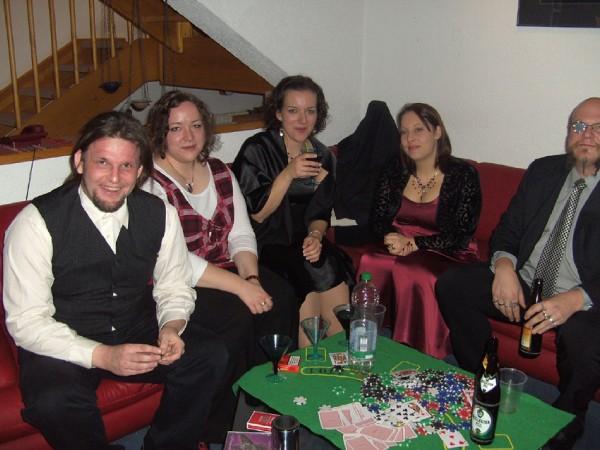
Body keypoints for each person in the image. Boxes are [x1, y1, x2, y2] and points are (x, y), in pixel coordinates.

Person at [3, 111, 228, 450]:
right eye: (102, 162)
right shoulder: (35, 223)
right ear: (80, 162)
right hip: (61, 336)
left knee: (208, 355)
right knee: (53, 402)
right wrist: (103, 356)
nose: (114, 178)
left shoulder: (160, 213)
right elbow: (27, 321)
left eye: (126, 166)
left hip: (133, 323)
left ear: (139, 171)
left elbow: (174, 284)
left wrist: (171, 326)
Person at [436, 97, 600, 450]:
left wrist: (575, 299)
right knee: (454, 284)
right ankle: (481, 378)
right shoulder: (544, 170)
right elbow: (507, 230)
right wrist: (504, 268)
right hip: (527, 283)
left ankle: (570, 417)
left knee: (584, 337)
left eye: (597, 127)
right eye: (578, 126)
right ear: (568, 133)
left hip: (583, 296)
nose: (586, 134)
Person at [143, 90, 297, 439]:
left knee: (282, 296)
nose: (189, 136)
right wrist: (242, 288)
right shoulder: (150, 183)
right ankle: (218, 423)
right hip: (178, 281)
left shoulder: (219, 171)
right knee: (238, 314)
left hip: (225, 268)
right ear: (160, 133)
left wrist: (252, 278)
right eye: (176, 128)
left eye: (196, 125)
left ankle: (266, 398)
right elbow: (174, 260)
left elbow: (241, 234)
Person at [232, 75, 354, 348]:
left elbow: (321, 212)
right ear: (278, 113)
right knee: (302, 268)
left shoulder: (322, 155)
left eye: (310, 111)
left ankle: (340, 353)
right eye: (293, 110)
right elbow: (257, 214)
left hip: (301, 239)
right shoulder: (257, 149)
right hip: (263, 242)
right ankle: (307, 357)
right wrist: (289, 173)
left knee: (327, 259)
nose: (302, 119)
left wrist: (316, 235)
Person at [357, 103, 481, 359]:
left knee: (413, 270)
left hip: (447, 250)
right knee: (370, 260)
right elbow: (378, 219)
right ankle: (369, 340)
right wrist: (390, 238)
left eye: (418, 130)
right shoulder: (395, 169)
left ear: (437, 132)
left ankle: (422, 350)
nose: (409, 138)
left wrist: (414, 244)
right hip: (401, 244)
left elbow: (462, 233)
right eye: (404, 132)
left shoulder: (463, 174)